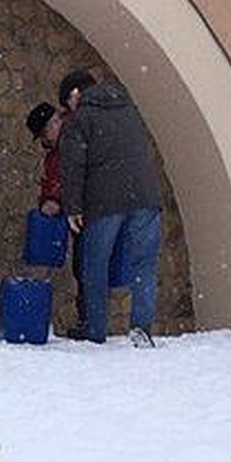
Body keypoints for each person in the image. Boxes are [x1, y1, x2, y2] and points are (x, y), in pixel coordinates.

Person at [57, 68, 162, 347]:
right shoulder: (129, 109)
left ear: (75, 94)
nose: (67, 109)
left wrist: (73, 208)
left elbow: (72, 166)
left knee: (95, 264)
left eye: (66, 102)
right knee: (145, 264)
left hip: (105, 200)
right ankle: (141, 328)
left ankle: (95, 329)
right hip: (146, 195)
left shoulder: (80, 119)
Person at [25, 100, 88, 337]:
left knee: (86, 266)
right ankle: (87, 320)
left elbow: (68, 177)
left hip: (87, 213)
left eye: (44, 133)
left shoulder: (70, 142)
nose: (44, 140)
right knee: (82, 266)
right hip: (79, 214)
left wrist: (53, 199)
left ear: (54, 123)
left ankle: (89, 322)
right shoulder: (58, 148)